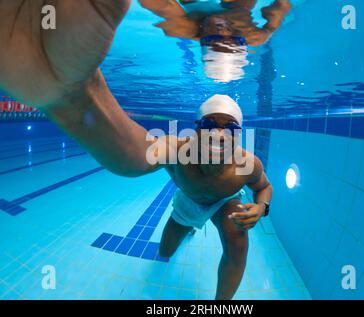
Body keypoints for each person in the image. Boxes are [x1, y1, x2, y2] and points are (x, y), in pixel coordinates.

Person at [0, 1, 272, 300]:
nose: (218, 134)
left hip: (224, 203)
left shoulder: (248, 164)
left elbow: (264, 187)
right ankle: (188, 227)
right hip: (188, 203)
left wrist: (262, 207)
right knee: (165, 250)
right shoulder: (178, 151)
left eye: (229, 128)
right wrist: (74, 96)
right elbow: (138, 154)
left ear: (238, 136)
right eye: (210, 124)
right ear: (196, 129)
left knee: (238, 238)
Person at [139, 0, 292, 82]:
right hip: (236, 7)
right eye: (234, 38)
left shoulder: (184, 28)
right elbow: (280, 9)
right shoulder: (254, 36)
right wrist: (278, 10)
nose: (223, 31)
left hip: (195, 5)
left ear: (203, 41)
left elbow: (158, 4)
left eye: (215, 39)